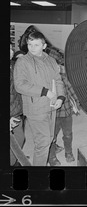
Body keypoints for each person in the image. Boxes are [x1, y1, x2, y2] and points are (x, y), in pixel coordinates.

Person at [13, 31, 65, 166]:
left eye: (36, 45)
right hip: (35, 108)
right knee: (42, 143)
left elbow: (58, 80)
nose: (32, 48)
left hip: (52, 106)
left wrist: (60, 97)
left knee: (49, 138)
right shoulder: (23, 61)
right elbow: (20, 85)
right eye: (30, 44)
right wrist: (44, 91)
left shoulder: (51, 60)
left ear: (44, 45)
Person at [10, 43, 26, 166]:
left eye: (11, 49)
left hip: (17, 110)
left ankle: (15, 159)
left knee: (19, 138)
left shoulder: (13, 65)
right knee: (18, 139)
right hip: (11, 113)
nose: (10, 51)